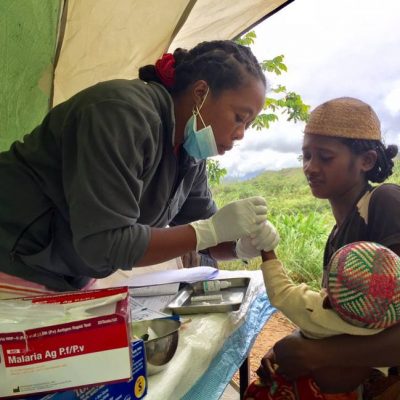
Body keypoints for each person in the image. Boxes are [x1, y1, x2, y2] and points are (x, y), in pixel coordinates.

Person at [0, 40, 274, 293]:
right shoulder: (120, 114)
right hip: (13, 255)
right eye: (240, 118)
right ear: (200, 93)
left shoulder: (190, 153)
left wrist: (240, 245)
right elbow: (106, 243)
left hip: (67, 273)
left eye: (247, 125)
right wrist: (209, 231)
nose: (241, 134)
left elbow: (205, 232)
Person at [255, 97, 400, 398]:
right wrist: (298, 341)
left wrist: (317, 354)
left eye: (325, 157)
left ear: (367, 161)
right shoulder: (338, 237)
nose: (310, 167)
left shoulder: (386, 203)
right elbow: (343, 320)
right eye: (305, 156)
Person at [243, 240, 400, 399]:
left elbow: (281, 290)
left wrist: (266, 248)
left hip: (305, 390)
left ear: (328, 300)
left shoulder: (316, 312)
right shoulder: (380, 327)